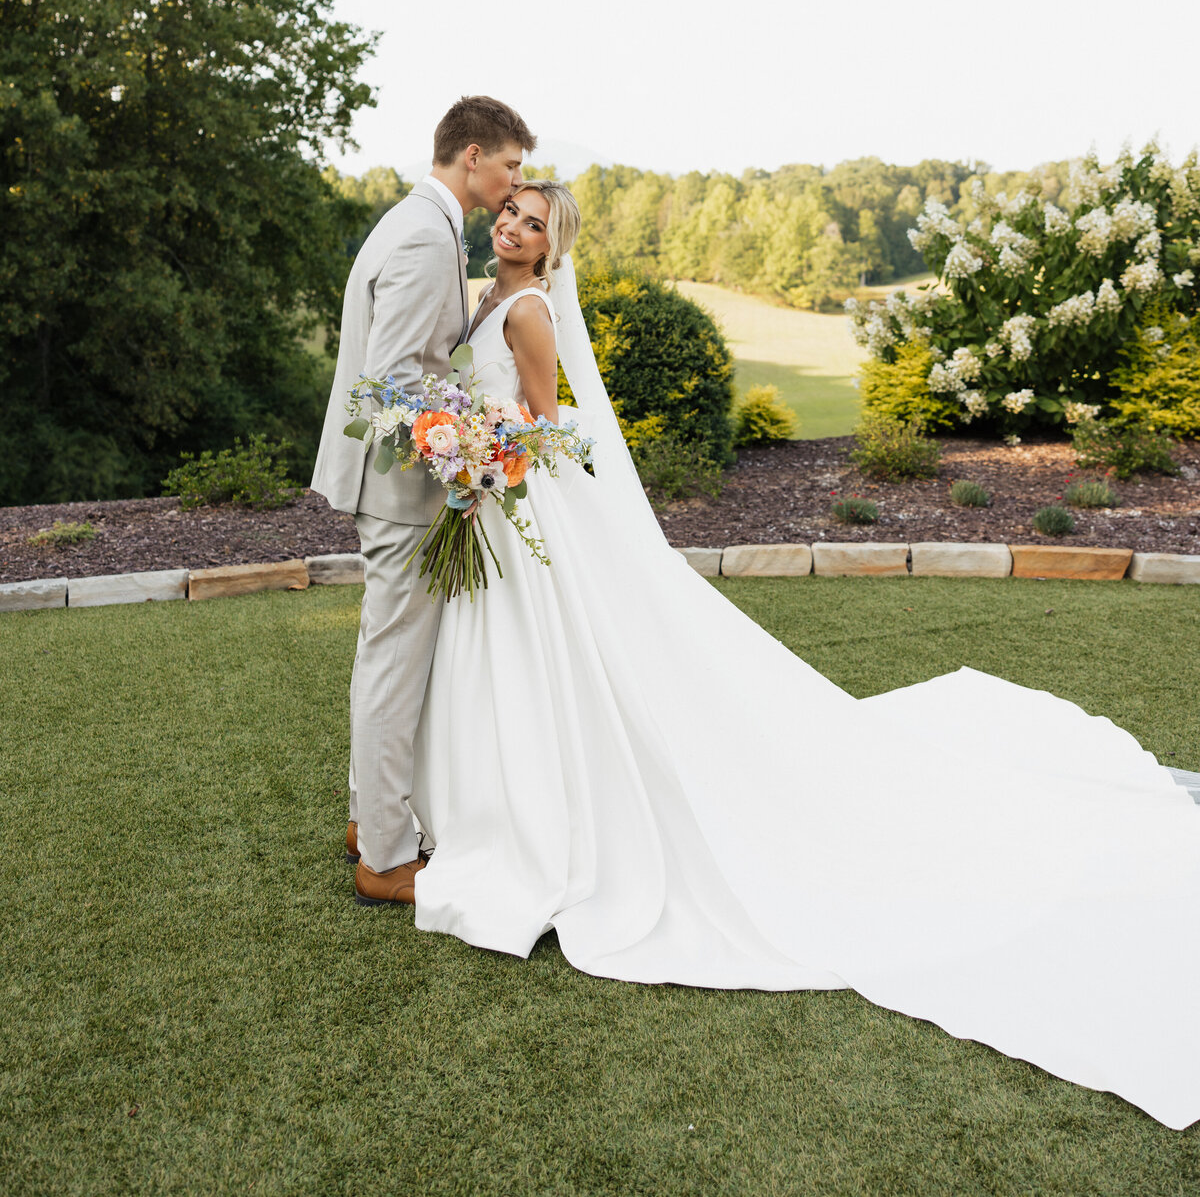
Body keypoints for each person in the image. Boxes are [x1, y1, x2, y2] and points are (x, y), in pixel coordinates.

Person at [396, 181, 1199, 1131]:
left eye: (533, 222)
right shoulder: (485, 294)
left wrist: (487, 454)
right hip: (490, 507)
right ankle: (489, 807)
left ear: (551, 247)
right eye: (512, 213)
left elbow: (546, 420)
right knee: (504, 662)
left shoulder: (528, 309)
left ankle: (537, 820)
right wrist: (458, 447)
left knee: (555, 666)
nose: (513, 227)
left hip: (520, 505)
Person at [311, 95, 536, 904]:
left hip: (408, 483)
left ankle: (367, 818)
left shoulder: (427, 223)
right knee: (393, 664)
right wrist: (464, 458)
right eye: (510, 164)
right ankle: (384, 857)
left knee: (392, 657)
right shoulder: (418, 233)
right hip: (402, 487)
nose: (515, 182)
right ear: (471, 156)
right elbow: (397, 379)